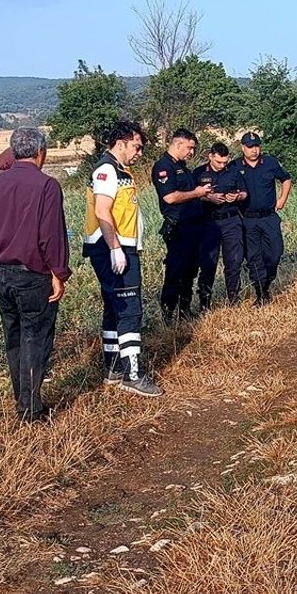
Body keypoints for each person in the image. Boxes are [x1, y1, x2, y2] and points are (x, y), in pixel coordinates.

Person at [0, 127, 69, 422]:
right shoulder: (47, 186)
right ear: (40, 152)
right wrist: (58, 272)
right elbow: (51, 236)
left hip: (1, 275)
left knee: (14, 337)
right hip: (33, 275)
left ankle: (22, 400)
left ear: (14, 152)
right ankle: (30, 409)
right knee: (35, 339)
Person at [83, 121, 163, 397]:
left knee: (114, 307)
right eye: (137, 146)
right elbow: (103, 211)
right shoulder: (107, 169)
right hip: (112, 249)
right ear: (121, 142)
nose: (139, 152)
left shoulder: (119, 169)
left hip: (118, 247)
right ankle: (133, 374)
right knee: (130, 309)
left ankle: (114, 369)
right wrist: (115, 247)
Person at [152, 129, 213, 321]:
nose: (192, 152)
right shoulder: (164, 167)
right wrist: (197, 193)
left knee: (190, 271)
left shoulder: (183, 167)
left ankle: (185, 310)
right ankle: (168, 312)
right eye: (190, 148)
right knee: (176, 271)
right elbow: (170, 197)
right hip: (178, 228)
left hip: (194, 226)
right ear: (178, 144)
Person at [234, 132, 291, 306]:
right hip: (248, 219)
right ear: (243, 147)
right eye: (250, 147)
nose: (254, 150)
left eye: (256, 146)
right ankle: (261, 294)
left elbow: (286, 179)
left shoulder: (270, 163)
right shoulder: (235, 166)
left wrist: (282, 199)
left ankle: (266, 281)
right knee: (254, 257)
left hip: (269, 217)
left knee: (275, 254)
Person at [193, 143, 248, 308]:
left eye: (225, 162)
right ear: (210, 156)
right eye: (218, 162)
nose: (222, 165)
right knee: (208, 263)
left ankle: (233, 300)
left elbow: (244, 192)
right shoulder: (198, 173)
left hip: (231, 221)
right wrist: (208, 198)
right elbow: (191, 196)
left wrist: (237, 197)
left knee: (234, 262)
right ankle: (205, 303)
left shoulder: (233, 172)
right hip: (209, 222)